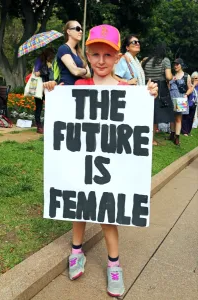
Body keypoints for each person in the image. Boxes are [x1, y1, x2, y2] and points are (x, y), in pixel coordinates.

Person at [69, 25, 157, 298]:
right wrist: (51, 89)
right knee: (79, 208)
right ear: (87, 55)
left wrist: (148, 95)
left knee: (109, 213)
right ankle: (76, 252)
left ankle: (114, 264)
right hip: (84, 165)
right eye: (95, 54)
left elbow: (136, 120)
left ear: (118, 57)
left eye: (107, 55)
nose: (101, 61)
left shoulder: (126, 90)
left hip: (111, 170)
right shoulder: (80, 86)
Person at [43, 20, 91, 91]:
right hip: (66, 91)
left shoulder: (79, 52)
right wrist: (84, 71)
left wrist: (81, 71)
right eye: (77, 29)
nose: (80, 31)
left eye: (81, 29)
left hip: (79, 91)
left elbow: (89, 75)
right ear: (69, 32)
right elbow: (75, 71)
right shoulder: (63, 48)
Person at [142, 43, 174, 145]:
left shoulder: (145, 60)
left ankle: (147, 137)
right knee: (156, 114)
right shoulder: (165, 60)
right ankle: (151, 139)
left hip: (147, 85)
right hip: (160, 88)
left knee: (147, 112)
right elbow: (168, 77)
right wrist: (172, 76)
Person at [168, 58, 193, 145]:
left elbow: (190, 87)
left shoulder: (186, 76)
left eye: (177, 64)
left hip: (181, 98)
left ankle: (177, 137)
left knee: (178, 118)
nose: (175, 66)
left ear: (181, 65)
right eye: (174, 64)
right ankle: (172, 134)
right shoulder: (172, 75)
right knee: (171, 117)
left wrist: (186, 94)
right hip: (171, 98)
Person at [34, 48, 55, 133]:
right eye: (51, 55)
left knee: (50, 106)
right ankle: (39, 126)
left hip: (47, 86)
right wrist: (46, 68)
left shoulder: (49, 62)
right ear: (47, 54)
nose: (52, 57)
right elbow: (36, 73)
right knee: (39, 107)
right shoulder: (39, 60)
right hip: (39, 86)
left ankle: (47, 124)